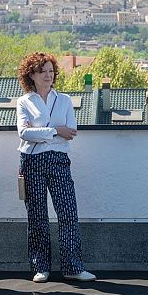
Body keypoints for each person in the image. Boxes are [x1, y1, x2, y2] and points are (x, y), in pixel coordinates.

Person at [16, 52, 95, 283]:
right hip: (31, 161)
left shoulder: (64, 100)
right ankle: (41, 267)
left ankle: (73, 266)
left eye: (51, 71)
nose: (48, 75)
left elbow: (70, 131)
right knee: (37, 215)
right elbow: (24, 133)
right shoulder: (24, 102)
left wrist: (41, 133)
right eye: (42, 71)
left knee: (68, 213)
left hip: (59, 160)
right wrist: (55, 131)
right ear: (31, 75)